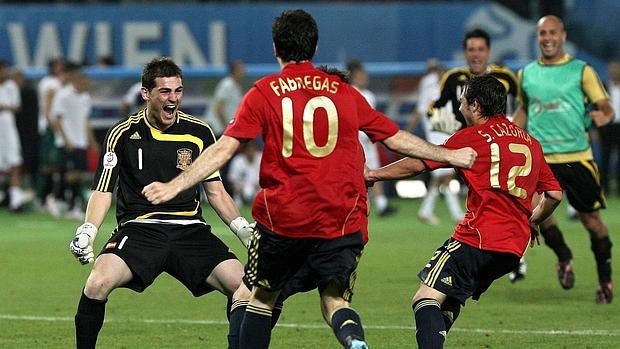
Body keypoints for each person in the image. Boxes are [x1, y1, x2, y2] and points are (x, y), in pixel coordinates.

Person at [142, 9, 476, 349]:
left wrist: (175, 184)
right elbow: (393, 137)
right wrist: (448, 154)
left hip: (285, 219)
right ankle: (353, 340)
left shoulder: (265, 92)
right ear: (314, 48)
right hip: (338, 220)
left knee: (261, 298)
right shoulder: (344, 92)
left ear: (276, 48)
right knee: (334, 298)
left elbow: (224, 148)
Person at [68, 57, 255, 349]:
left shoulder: (200, 133)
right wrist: (88, 230)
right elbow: (104, 189)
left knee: (245, 288)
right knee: (96, 284)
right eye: (165, 92)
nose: (173, 99)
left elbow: (216, 192)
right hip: (140, 229)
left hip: (190, 229)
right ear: (146, 94)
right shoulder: (122, 133)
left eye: (178, 91)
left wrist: (244, 231)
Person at [366, 75, 563, 349]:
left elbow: (420, 163)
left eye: (463, 99)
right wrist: (534, 220)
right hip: (513, 250)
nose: (459, 105)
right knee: (452, 298)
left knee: (424, 299)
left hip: (478, 238)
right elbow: (554, 195)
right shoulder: (531, 142)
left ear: (476, 105)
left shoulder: (472, 138)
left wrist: (375, 174)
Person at [513, 15, 615, 303]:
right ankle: (564, 255)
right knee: (537, 216)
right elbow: (525, 109)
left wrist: (603, 116)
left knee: (592, 222)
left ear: (563, 35)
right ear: (537, 36)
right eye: (542, 32)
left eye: (552, 32)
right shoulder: (526, 74)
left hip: (578, 158)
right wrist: (509, 132)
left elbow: (607, 107)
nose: (547, 37)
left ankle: (605, 280)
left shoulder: (582, 71)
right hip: (541, 161)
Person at [407, 58, 464, 225]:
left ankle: (425, 210)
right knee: (446, 174)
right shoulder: (429, 91)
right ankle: (456, 213)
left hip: (449, 132)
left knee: (440, 176)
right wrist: (408, 131)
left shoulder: (453, 90)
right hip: (436, 134)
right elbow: (420, 111)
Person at [347, 58, 396, 217]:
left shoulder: (368, 94)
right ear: (354, 75)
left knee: (373, 171)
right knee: (358, 173)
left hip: (368, 139)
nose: (364, 77)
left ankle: (381, 204)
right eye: (361, 74)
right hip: (355, 140)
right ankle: (359, 204)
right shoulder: (348, 92)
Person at [51, 72, 99, 219]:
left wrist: (92, 141)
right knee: (72, 174)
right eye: (86, 83)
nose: (88, 86)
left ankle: (58, 198)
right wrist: (65, 140)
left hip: (81, 141)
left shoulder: (85, 98)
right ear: (77, 81)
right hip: (67, 142)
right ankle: (69, 205)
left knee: (76, 174)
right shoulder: (63, 95)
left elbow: (86, 121)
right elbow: (57, 120)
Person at [36, 58, 67, 216]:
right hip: (51, 128)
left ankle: (47, 198)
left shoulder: (51, 83)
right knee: (51, 164)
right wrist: (56, 129)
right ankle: (47, 198)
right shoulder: (51, 84)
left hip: (53, 127)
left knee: (54, 164)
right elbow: (49, 110)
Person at [0, 59, 25, 212]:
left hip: (9, 130)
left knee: (15, 163)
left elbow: (17, 106)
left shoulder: (11, 86)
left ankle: (16, 202)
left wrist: (4, 107)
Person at [600, 60, 620, 196]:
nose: (613, 72)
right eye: (611, 69)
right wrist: (596, 128)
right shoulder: (603, 88)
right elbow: (596, 108)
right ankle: (605, 189)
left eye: (616, 69)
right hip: (607, 127)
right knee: (605, 159)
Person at [227, 140, 261, 207]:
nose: (251, 152)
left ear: (255, 150)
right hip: (241, 189)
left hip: (257, 188)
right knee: (238, 204)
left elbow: (267, 177)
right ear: (245, 151)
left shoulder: (261, 158)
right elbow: (232, 179)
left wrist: (258, 186)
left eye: (253, 150)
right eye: (249, 150)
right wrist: (239, 187)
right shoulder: (238, 160)